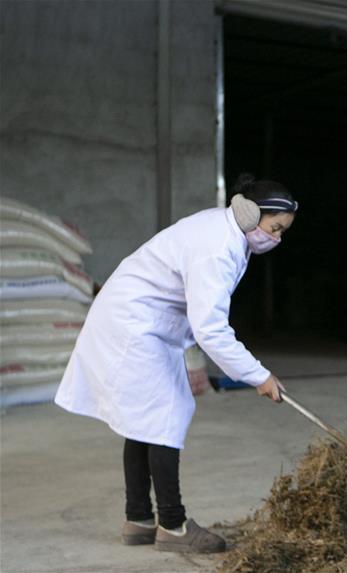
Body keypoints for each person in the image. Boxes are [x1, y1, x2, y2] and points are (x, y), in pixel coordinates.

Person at [54, 174, 297, 553]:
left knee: (144, 419)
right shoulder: (217, 246)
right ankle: (173, 525)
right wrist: (258, 375)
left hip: (139, 321)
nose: (277, 238)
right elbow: (211, 329)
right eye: (275, 227)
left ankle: (138, 519)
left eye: (283, 231)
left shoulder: (227, 231)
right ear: (249, 212)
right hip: (133, 324)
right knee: (167, 413)